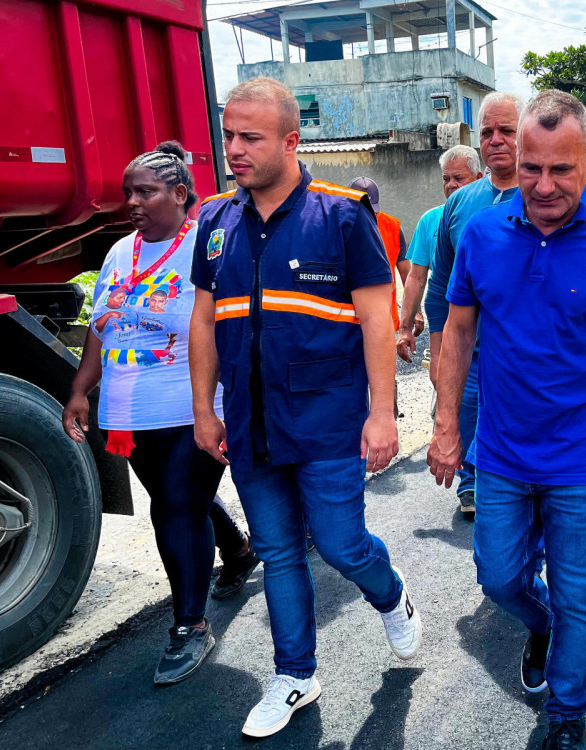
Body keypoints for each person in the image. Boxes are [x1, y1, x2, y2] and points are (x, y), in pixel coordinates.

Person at [188, 77, 420, 738]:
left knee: (342, 545)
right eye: (228, 135)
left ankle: (391, 594)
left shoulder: (343, 215)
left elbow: (377, 319)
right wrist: (204, 409)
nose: (234, 149)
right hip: (250, 422)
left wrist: (383, 413)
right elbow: (203, 321)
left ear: (291, 141)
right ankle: (294, 674)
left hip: (327, 418)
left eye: (250, 137)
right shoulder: (214, 220)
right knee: (279, 551)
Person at [428, 90, 586, 750]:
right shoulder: (480, 234)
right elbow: (457, 332)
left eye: (562, 169)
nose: (545, 185)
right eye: (532, 168)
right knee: (498, 578)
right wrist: (446, 425)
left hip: (582, 460)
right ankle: (542, 622)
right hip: (500, 454)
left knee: (580, 592)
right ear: (511, 161)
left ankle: (567, 714)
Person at [62, 141, 259, 687]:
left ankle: (190, 625)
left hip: (193, 407)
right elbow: (101, 328)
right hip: (129, 413)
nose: (132, 202)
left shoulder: (207, 246)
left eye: (145, 191)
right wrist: (80, 390)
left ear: (179, 193)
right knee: (178, 500)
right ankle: (237, 550)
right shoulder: (118, 252)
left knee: (174, 508)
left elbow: (232, 324)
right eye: (128, 192)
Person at [425, 92, 526, 517]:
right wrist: (438, 354)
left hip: (524, 361)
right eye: (487, 132)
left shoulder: (548, 197)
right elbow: (439, 288)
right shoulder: (459, 204)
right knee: (464, 426)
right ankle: (472, 486)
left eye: (507, 130)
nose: (496, 139)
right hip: (467, 354)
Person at [396, 145, 483, 371]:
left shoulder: (492, 217)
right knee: (441, 379)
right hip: (444, 319)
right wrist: (405, 327)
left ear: (479, 178)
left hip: (486, 323)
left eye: (459, 178)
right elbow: (416, 277)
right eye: (446, 179)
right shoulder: (430, 220)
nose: (451, 185)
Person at [348, 177, 410, 332]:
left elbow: (407, 275)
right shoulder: (336, 226)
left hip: (384, 318)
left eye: (371, 209)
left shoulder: (393, 226)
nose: (366, 214)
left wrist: (415, 312)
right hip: (347, 320)